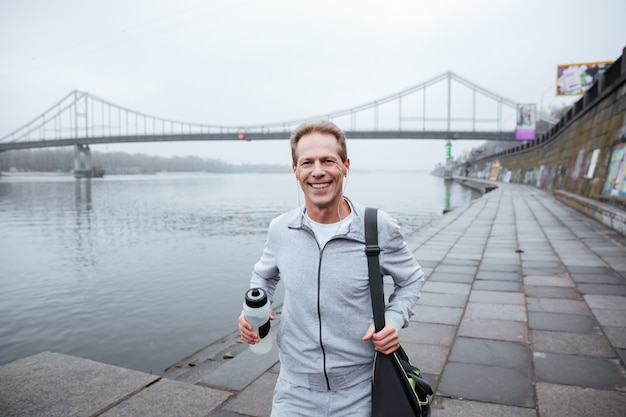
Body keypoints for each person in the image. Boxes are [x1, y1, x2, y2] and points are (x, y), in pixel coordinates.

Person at [238, 119, 424, 417]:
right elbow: (264, 275)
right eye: (307, 162)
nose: (318, 171)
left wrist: (393, 319)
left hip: (360, 392)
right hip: (293, 392)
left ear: (346, 165)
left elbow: (412, 279)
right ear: (295, 170)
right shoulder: (280, 229)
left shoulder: (378, 227)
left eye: (328, 160)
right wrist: (253, 309)